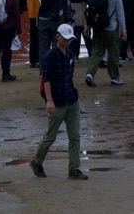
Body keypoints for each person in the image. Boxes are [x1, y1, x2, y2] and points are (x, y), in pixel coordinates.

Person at [31, 23, 86, 180]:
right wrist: (49, 101)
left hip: (71, 100)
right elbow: (46, 80)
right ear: (57, 37)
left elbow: (70, 76)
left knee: (75, 136)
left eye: (69, 39)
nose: (67, 42)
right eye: (65, 39)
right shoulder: (49, 57)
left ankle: (74, 168)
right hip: (57, 102)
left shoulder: (69, 55)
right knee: (50, 136)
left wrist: (75, 92)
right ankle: (37, 161)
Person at [84, 0, 125, 86]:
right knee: (113, 53)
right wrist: (124, 31)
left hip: (97, 27)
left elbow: (90, 12)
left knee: (96, 51)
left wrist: (87, 26)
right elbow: (120, 15)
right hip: (111, 28)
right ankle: (115, 78)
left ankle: (90, 74)